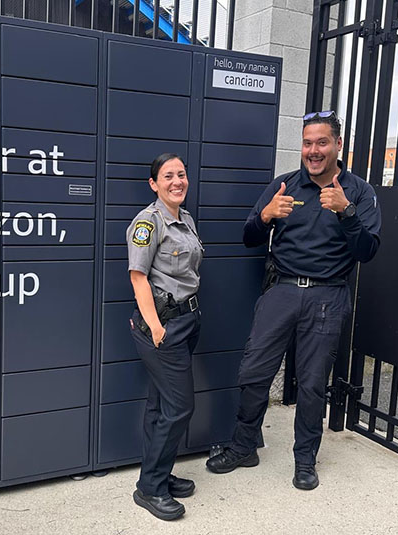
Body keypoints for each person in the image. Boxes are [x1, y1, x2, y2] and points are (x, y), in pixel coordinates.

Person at [205, 110, 381, 490]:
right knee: (253, 373)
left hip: (327, 296)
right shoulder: (283, 185)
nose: (313, 150)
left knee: (313, 384)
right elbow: (249, 237)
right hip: (281, 291)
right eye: (307, 143)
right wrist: (265, 216)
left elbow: (368, 252)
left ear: (337, 145)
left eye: (321, 142)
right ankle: (243, 446)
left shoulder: (360, 193)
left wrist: (346, 212)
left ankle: (305, 460)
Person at [127, 153, 203, 521]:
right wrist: (157, 327)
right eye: (168, 176)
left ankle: (157, 472)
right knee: (179, 408)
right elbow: (138, 278)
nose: (178, 181)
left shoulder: (184, 219)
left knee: (161, 405)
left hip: (186, 322)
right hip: (162, 329)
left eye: (182, 174)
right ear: (154, 183)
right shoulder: (147, 222)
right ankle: (150, 489)